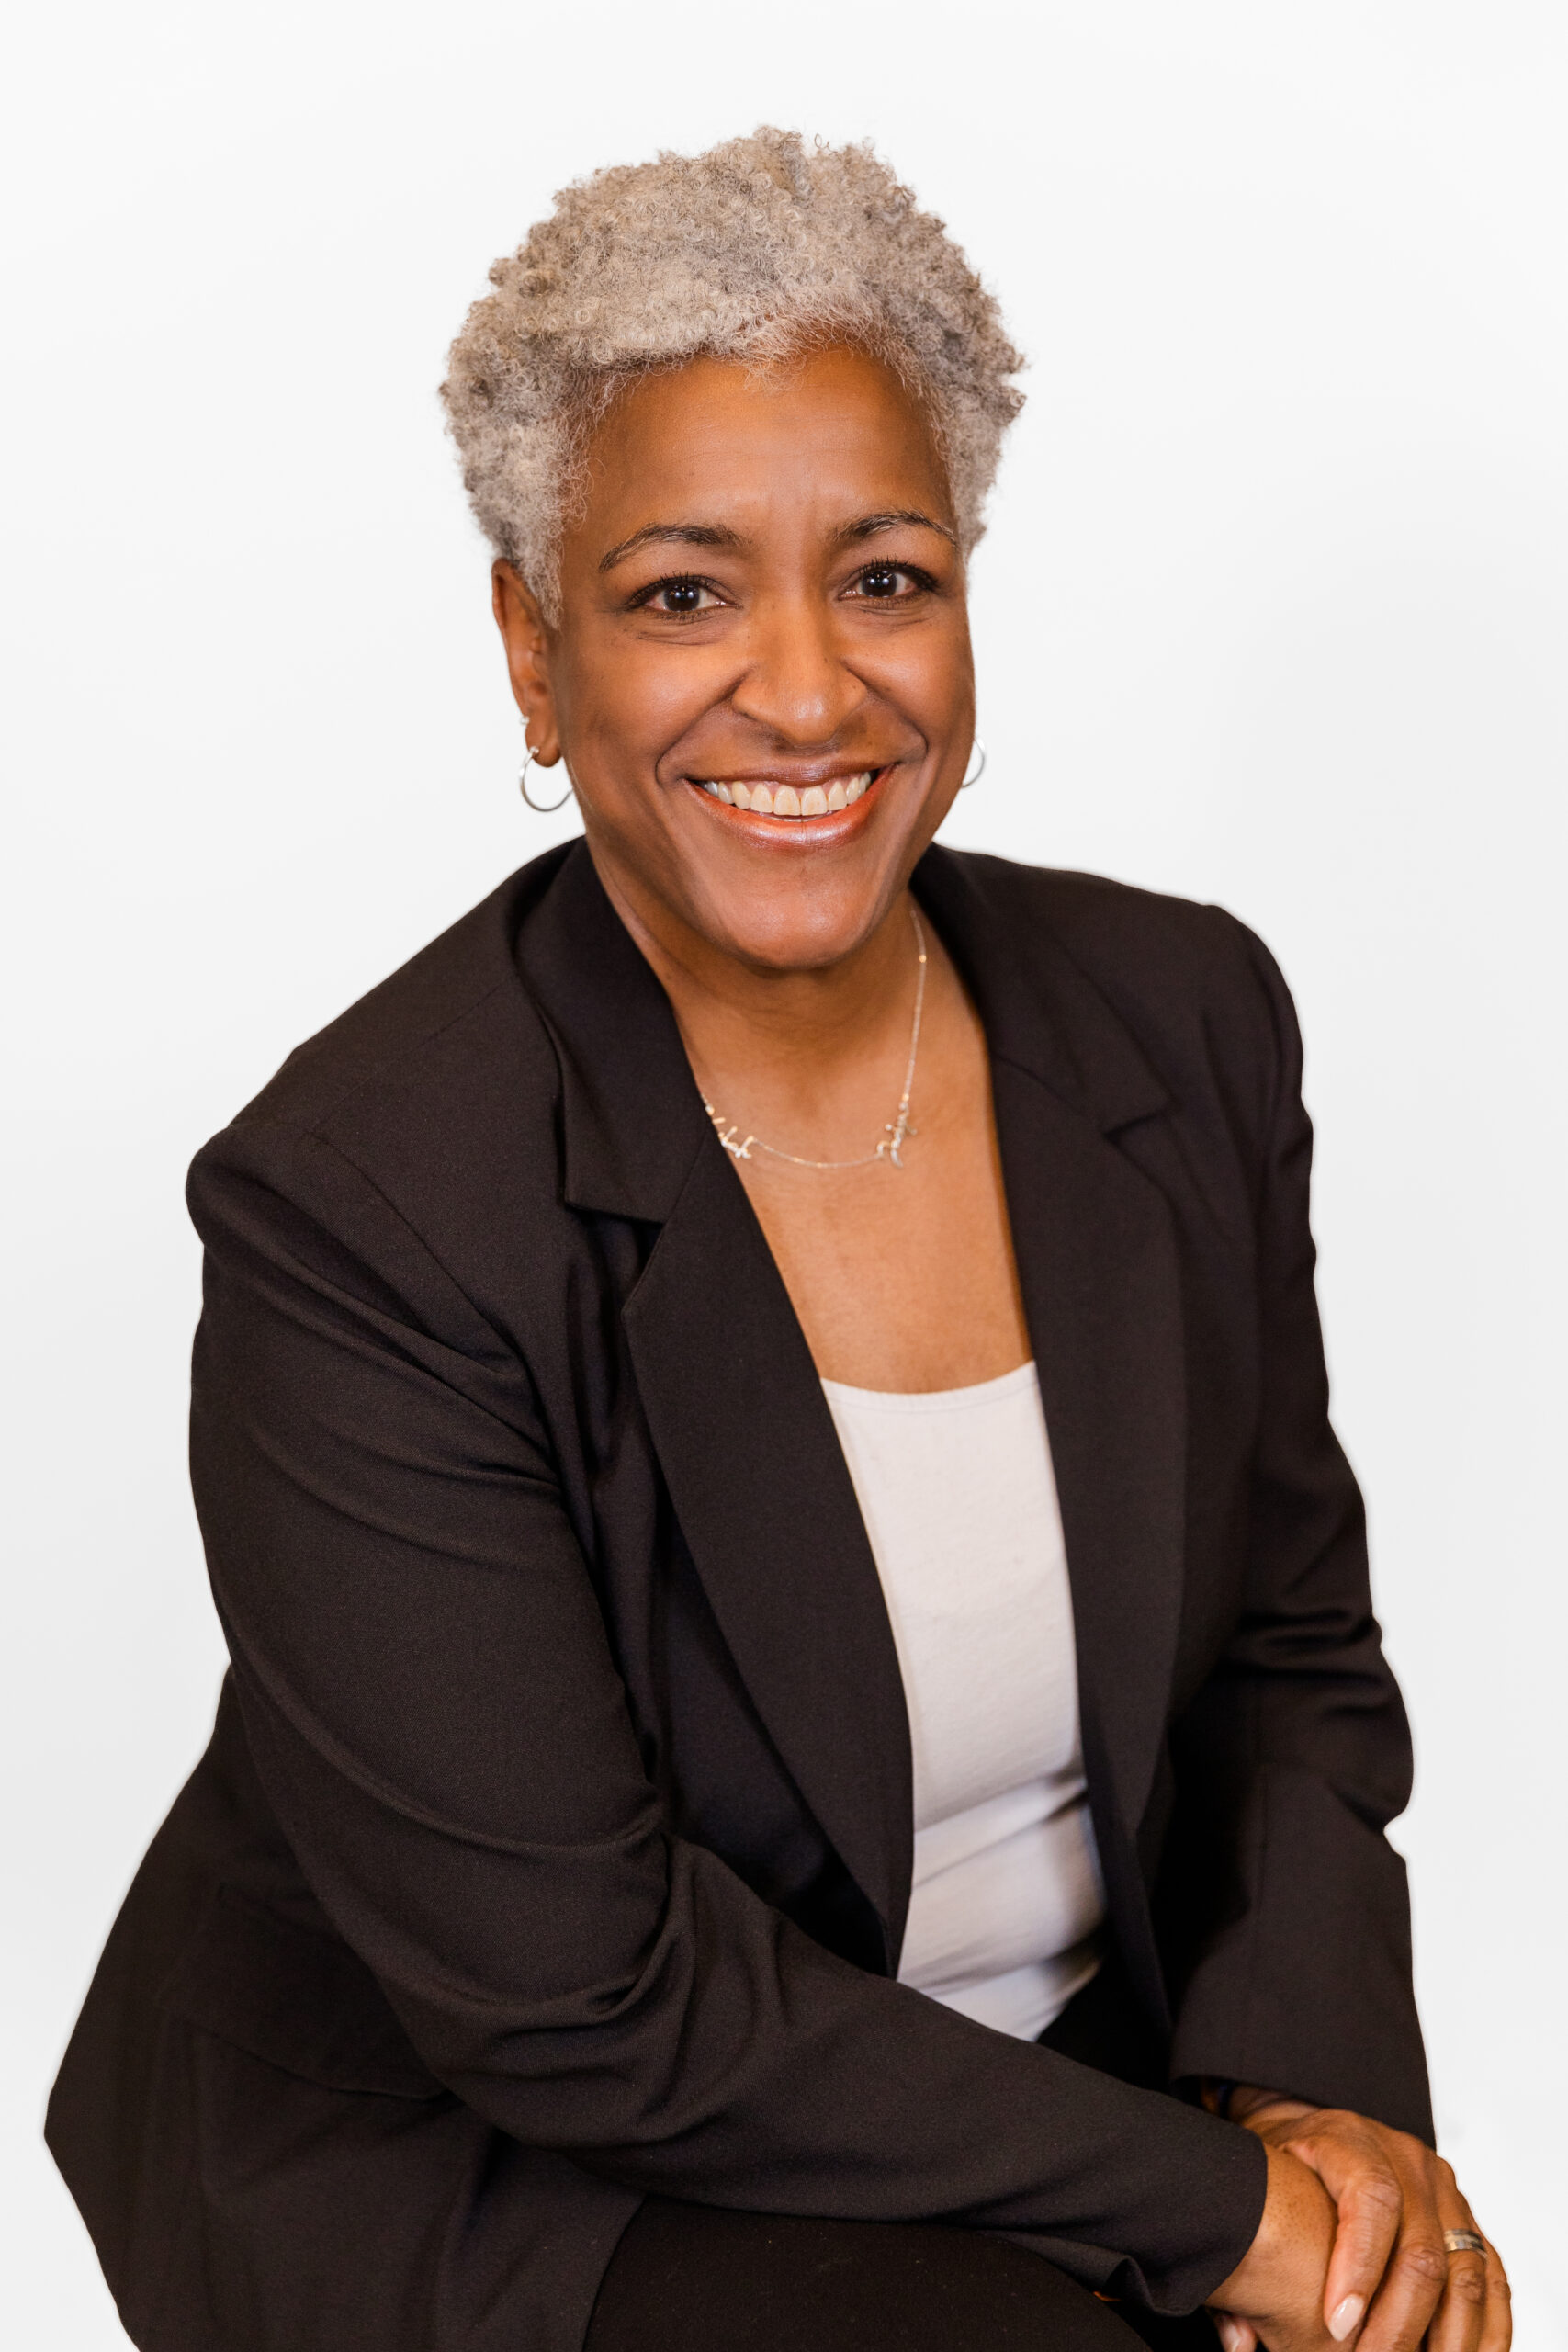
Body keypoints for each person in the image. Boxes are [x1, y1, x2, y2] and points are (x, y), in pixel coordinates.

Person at [49, 130, 1508, 2352]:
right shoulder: (366, 1201)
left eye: (887, 574)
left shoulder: (1174, 1017)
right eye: (678, 592)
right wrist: (1217, 2208)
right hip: (510, 2149)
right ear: (535, 655)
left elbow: (1279, 1658)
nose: (811, 692)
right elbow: (584, 1996)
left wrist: (1325, 2111)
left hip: (1049, 2083)